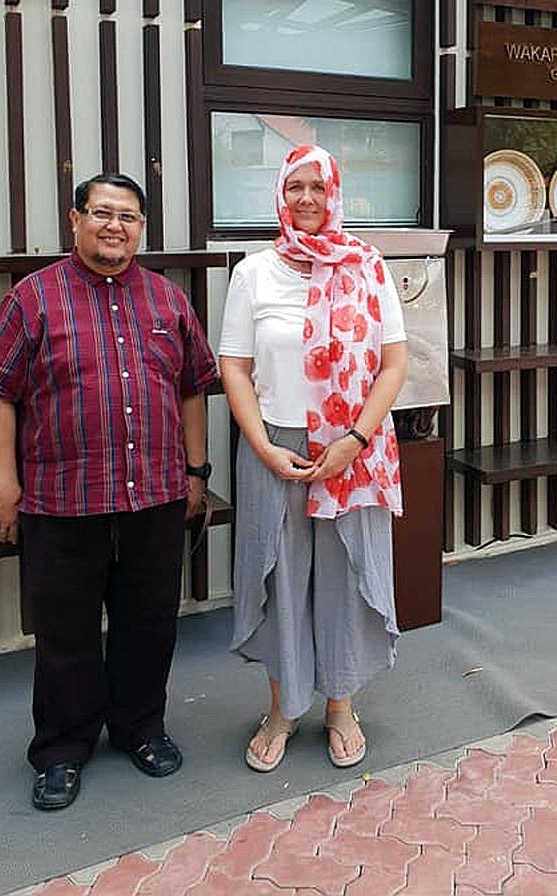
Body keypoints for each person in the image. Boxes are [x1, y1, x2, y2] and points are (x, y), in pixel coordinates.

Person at [0, 172, 218, 811]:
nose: (115, 226)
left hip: (155, 499)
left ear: (141, 227)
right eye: (102, 212)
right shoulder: (32, 299)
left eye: (129, 216)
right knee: (66, 633)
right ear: (74, 218)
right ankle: (61, 748)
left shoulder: (167, 300)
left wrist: (196, 472)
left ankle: (140, 727)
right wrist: (4, 486)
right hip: (61, 502)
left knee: (150, 622)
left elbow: (192, 386)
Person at [219, 144, 407, 772]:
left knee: (344, 578)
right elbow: (235, 368)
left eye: (318, 187)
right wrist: (264, 446)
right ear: (279, 193)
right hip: (273, 444)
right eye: (294, 186)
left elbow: (394, 363)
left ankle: (340, 707)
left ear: (336, 195)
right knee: (280, 578)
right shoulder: (253, 272)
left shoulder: (368, 267)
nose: (306, 198)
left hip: (353, 445)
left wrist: (353, 438)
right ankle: (282, 708)